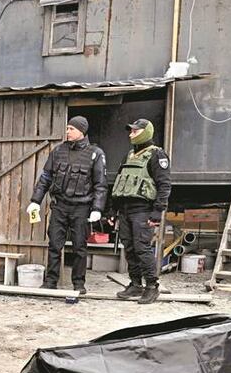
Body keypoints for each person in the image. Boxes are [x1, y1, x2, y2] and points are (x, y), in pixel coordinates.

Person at [26, 116, 107, 293]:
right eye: (67, 128)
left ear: (81, 131)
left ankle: (79, 284)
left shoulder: (95, 153)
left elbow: (100, 184)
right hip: (60, 206)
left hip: (82, 208)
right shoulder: (58, 151)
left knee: (79, 247)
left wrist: (97, 208)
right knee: (54, 244)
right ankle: (51, 281)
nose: (67, 131)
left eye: (71, 128)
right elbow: (45, 178)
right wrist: (35, 201)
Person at [109, 118, 171, 305]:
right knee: (129, 249)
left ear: (145, 132)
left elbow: (164, 185)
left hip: (143, 210)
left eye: (135, 131)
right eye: (130, 131)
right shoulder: (129, 155)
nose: (131, 134)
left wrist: (157, 212)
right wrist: (112, 210)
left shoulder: (157, 155)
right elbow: (119, 182)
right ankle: (135, 284)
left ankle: (152, 287)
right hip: (125, 210)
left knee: (142, 248)